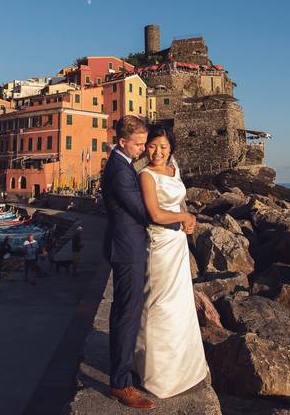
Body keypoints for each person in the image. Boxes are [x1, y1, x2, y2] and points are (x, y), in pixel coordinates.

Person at [134, 124, 207, 399]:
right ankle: (155, 372)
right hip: (160, 245)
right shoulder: (146, 175)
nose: (158, 152)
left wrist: (189, 219)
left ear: (171, 148)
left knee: (180, 303)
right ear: (146, 147)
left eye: (164, 147)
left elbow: (179, 205)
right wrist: (184, 218)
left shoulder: (174, 170)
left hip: (177, 243)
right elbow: (154, 213)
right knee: (158, 303)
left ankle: (183, 369)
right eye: (153, 146)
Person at [100, 115, 161, 409]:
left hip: (127, 246)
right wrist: (177, 216)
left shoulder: (123, 165)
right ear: (122, 142)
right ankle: (121, 385)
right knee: (127, 314)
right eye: (138, 144)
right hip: (126, 249)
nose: (143, 149)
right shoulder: (118, 170)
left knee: (124, 312)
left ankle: (121, 372)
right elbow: (141, 210)